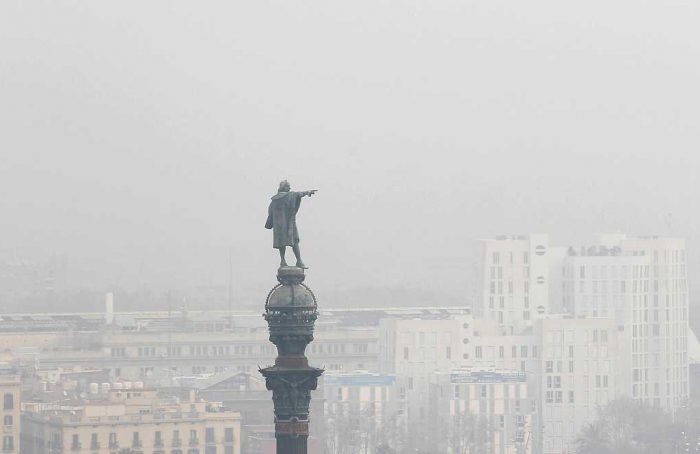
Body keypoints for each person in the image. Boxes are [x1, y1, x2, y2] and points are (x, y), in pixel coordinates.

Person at [265, 180, 317, 268]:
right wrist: (308, 192)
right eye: (288, 186)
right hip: (289, 223)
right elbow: (298, 194)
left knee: (281, 243)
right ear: (284, 187)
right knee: (295, 241)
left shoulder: (274, 200)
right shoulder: (290, 195)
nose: (290, 188)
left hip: (279, 225)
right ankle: (299, 260)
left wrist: (269, 223)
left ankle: (283, 261)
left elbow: (270, 213)